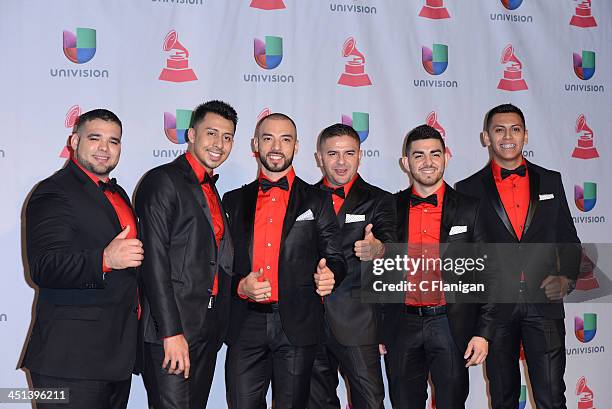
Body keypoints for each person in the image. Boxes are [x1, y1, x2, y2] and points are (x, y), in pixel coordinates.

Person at [456, 103, 581, 409]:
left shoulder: (551, 181)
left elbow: (569, 240)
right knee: (503, 398)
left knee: (552, 398)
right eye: (499, 130)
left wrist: (566, 279)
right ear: (486, 137)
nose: (507, 136)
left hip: (545, 304)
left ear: (526, 135)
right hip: (495, 309)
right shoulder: (467, 189)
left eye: (515, 129)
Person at [222, 113, 346, 409]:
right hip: (245, 323)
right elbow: (219, 265)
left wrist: (332, 275)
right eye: (268, 138)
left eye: (285, 139)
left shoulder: (317, 200)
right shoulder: (232, 200)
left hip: (297, 324)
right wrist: (240, 286)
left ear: (296, 146)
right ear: (255, 144)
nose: (276, 146)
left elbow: (336, 257)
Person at [22, 109, 142, 409]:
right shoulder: (54, 191)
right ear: (74, 141)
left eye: (114, 141)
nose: (105, 148)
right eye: (95, 138)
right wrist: (104, 259)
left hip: (115, 358)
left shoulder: (119, 194)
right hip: (69, 362)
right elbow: (44, 267)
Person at [383, 124, 496, 409]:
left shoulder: (472, 208)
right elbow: (377, 270)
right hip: (402, 326)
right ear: (406, 162)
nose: (428, 162)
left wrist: (483, 333)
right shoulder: (389, 207)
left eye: (435, 154)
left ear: (446, 157)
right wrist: (378, 330)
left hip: (451, 324)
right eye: (418, 155)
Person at [135, 100, 237, 409]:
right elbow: (153, 261)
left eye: (227, 137)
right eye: (211, 133)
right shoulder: (162, 181)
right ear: (191, 134)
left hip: (207, 328)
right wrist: (172, 332)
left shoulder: (211, 188)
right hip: (173, 330)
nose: (219, 144)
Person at [309, 123, 395, 409]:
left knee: (370, 402)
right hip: (307, 322)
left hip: (357, 320)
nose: (341, 161)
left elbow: (390, 243)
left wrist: (377, 248)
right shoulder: (302, 198)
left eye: (349, 153)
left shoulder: (380, 199)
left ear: (360, 155)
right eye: (332, 153)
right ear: (319, 157)